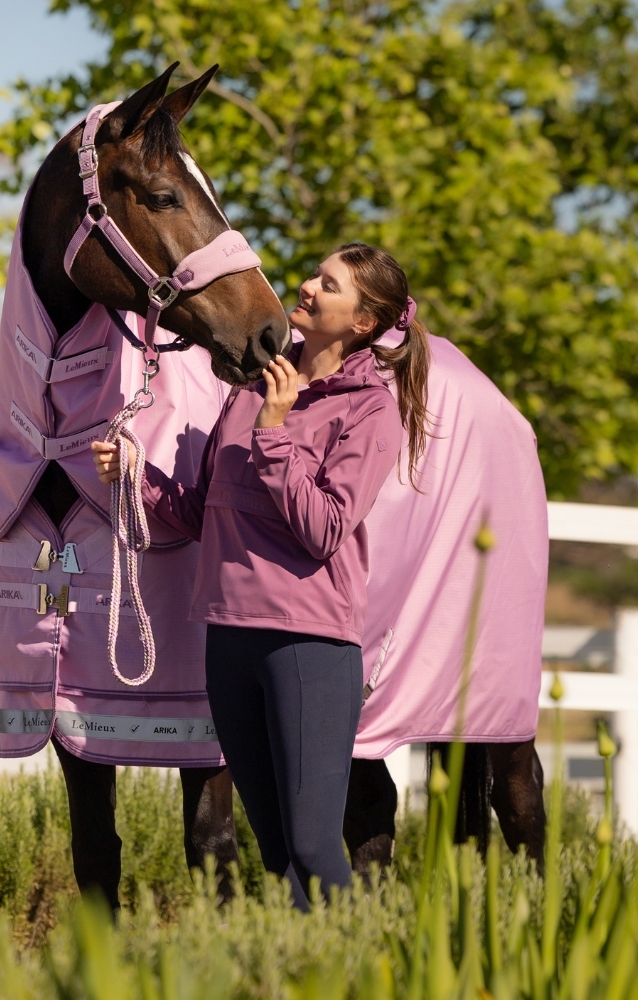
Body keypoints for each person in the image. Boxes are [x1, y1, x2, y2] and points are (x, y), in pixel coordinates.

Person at [92, 242, 429, 907]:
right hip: (228, 636)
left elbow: (325, 528)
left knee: (311, 845)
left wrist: (275, 434)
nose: (305, 286)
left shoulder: (368, 408)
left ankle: (357, 975)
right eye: (314, 274)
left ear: (362, 321)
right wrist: (137, 476)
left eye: (327, 285)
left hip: (306, 644)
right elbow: (200, 512)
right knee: (273, 849)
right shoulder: (251, 387)